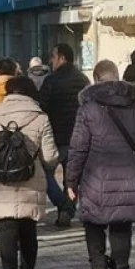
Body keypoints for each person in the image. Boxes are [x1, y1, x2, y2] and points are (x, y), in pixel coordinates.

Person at [66, 60, 135, 269]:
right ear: (117, 77)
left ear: (96, 79)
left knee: (94, 225)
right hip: (128, 174)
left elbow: (78, 148)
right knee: (121, 227)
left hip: (94, 176)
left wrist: (71, 181)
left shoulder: (88, 108)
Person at [0, 76, 59, 269]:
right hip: (31, 179)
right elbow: (50, 155)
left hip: (2, 180)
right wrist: (41, 166)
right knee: (28, 230)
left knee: (6, 229)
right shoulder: (40, 117)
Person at [39, 43, 90, 227]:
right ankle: (67, 210)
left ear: (62, 58)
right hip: (78, 137)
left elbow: (41, 107)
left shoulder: (51, 81)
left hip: (55, 137)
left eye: (53, 57)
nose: (51, 61)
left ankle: (62, 204)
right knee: (72, 177)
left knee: (45, 174)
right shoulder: (83, 80)